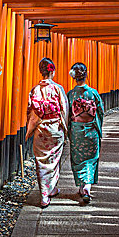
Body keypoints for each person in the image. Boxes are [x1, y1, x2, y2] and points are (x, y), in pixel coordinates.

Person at [26, 58, 69, 208]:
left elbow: (30, 111)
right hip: (55, 128)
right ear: (52, 71)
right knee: (54, 159)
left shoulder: (34, 90)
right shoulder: (58, 89)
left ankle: (45, 193)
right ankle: (50, 188)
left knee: (41, 161)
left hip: (40, 129)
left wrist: (30, 129)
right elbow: (64, 108)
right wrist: (65, 127)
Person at [67, 62, 104, 203]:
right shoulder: (93, 93)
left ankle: (83, 186)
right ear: (86, 75)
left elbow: (67, 114)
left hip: (77, 130)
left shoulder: (71, 95)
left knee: (78, 158)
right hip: (91, 129)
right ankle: (87, 186)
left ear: (74, 77)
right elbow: (100, 112)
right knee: (91, 158)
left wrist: (69, 130)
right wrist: (98, 128)